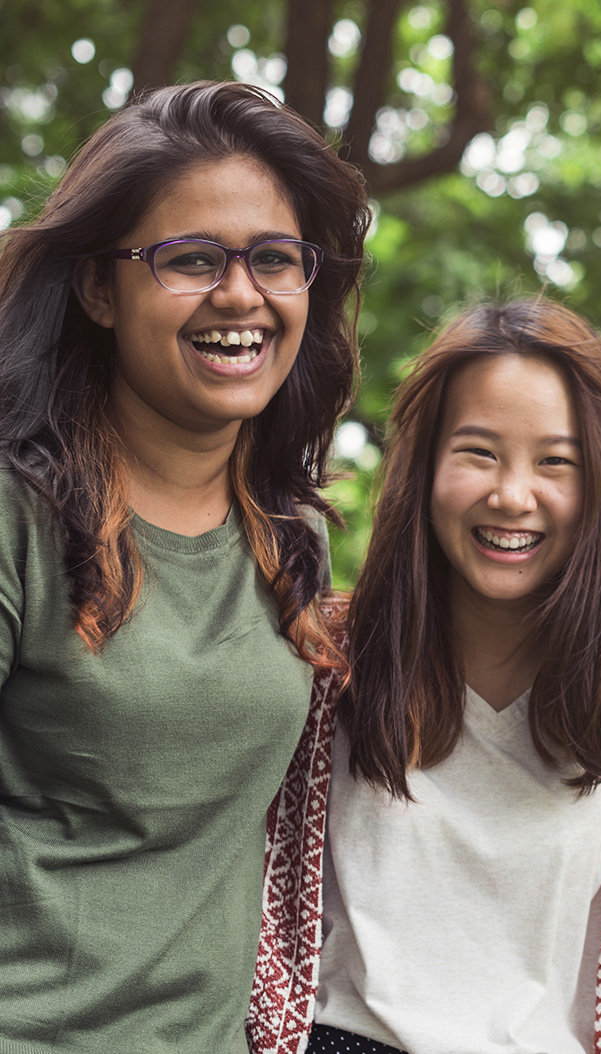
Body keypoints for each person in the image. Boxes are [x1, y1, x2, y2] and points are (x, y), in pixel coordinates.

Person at [0, 81, 367, 1053]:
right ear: (97, 288)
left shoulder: (289, 535)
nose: (240, 294)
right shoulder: (14, 516)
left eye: (274, 260)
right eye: (190, 258)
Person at [298, 299, 601, 1054]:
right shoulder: (324, 663)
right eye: (479, 453)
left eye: (556, 462)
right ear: (424, 466)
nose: (513, 496)